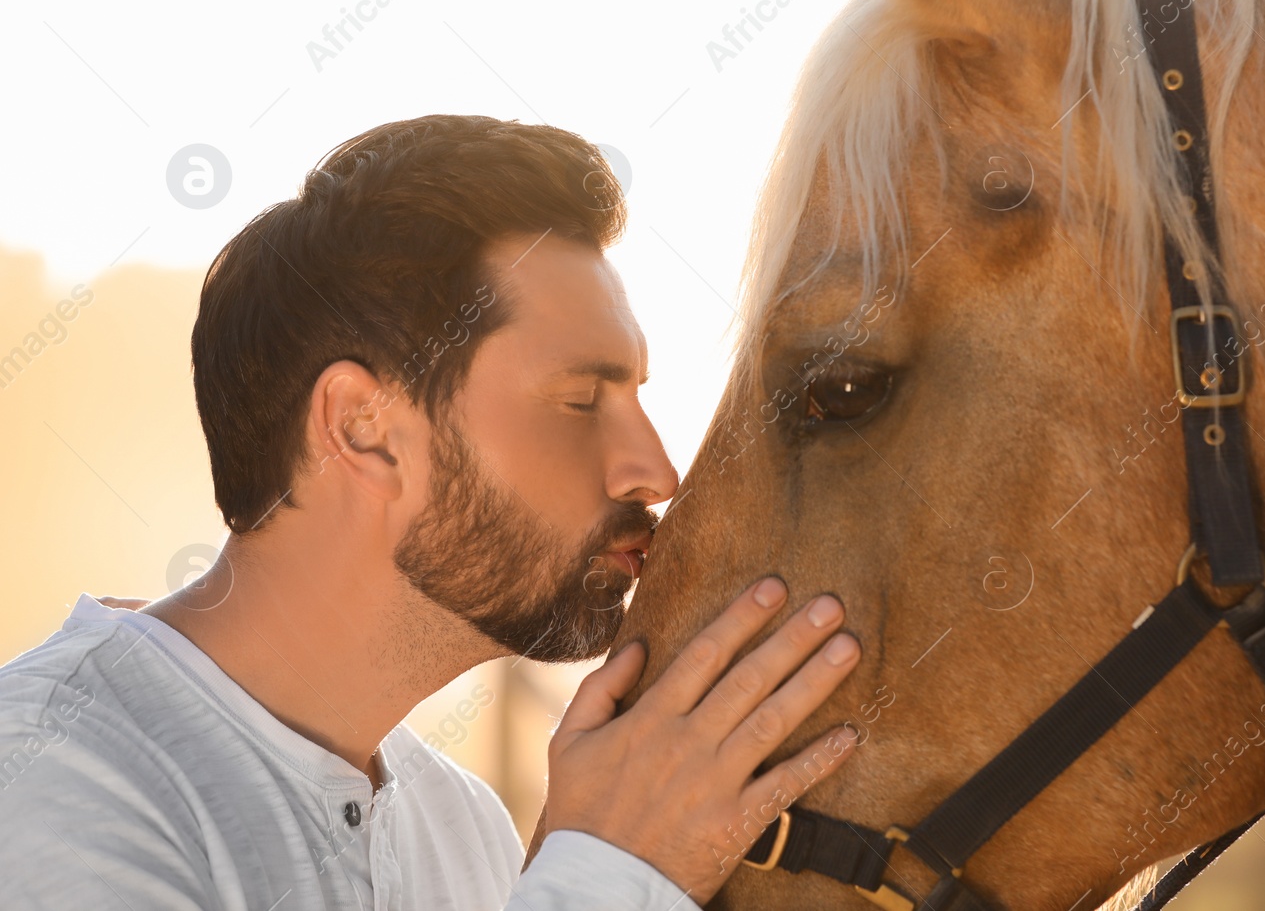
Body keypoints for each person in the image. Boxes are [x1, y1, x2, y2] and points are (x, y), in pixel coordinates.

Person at [0, 115, 861, 909]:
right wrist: (617, 871)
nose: (656, 470)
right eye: (580, 400)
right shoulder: (50, 781)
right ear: (364, 430)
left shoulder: (465, 829)